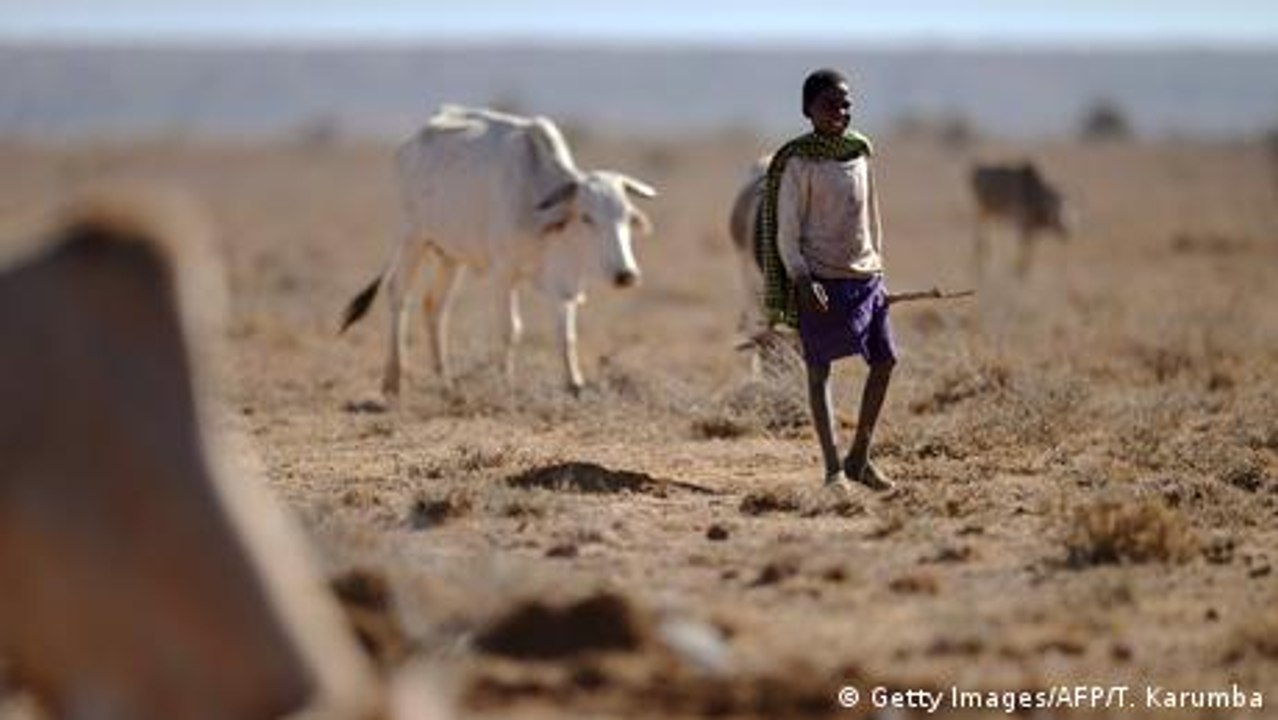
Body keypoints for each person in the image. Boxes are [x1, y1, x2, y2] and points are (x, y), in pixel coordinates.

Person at [755, 68, 896, 491]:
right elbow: (787, 230)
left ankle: (859, 458)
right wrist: (801, 277)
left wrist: (878, 269)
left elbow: (872, 217)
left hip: (865, 275)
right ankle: (833, 470)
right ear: (807, 110)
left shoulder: (860, 151)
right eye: (829, 104)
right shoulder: (797, 162)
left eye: (846, 104)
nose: (840, 112)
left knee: (885, 361)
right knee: (819, 373)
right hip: (819, 279)